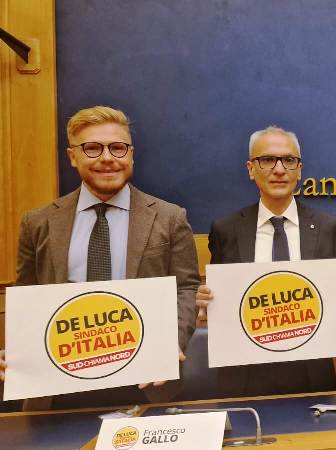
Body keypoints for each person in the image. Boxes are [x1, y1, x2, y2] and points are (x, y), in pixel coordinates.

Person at [0, 106, 199, 409]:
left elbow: (186, 288)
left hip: (146, 381)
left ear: (131, 155)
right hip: (58, 384)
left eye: (117, 148)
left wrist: (172, 340)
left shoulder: (170, 218)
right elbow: (27, 295)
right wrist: (18, 350)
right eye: (92, 148)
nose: (107, 158)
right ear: (72, 156)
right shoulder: (37, 223)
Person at [195, 126, 336, 396]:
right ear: (251, 169)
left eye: (288, 160)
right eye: (268, 160)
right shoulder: (226, 230)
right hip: (244, 375)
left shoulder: (327, 227)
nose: (279, 169)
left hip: (311, 373)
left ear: (299, 170)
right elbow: (219, 300)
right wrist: (205, 300)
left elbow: (333, 304)